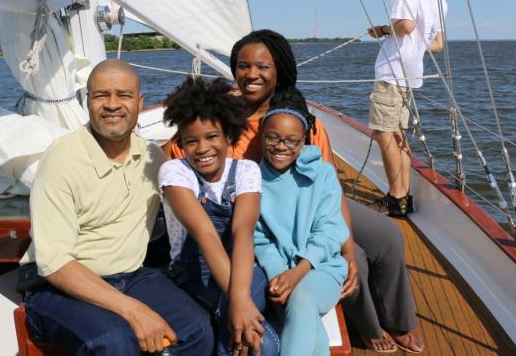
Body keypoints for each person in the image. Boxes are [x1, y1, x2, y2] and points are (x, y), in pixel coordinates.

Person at [165, 29, 423, 353]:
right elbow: (182, 146)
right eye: (243, 66)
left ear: (279, 70)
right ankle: (368, 327)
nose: (252, 74)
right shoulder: (221, 114)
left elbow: (330, 186)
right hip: (266, 205)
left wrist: (345, 245)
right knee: (352, 256)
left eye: (263, 67)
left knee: (387, 235)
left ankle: (399, 322)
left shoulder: (295, 114)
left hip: (311, 194)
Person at [19, 59, 214, 355]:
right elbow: (55, 264)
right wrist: (133, 310)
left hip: (132, 276)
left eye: (123, 95)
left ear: (139, 103)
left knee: (197, 330)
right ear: (87, 101)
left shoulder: (152, 158)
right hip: (57, 286)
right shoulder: (61, 160)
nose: (112, 104)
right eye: (101, 95)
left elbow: (205, 159)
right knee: (115, 342)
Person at [159, 76, 279, 356]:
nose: (202, 148)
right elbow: (205, 235)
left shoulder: (246, 170)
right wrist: (239, 304)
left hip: (243, 266)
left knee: (251, 338)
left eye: (212, 137)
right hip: (194, 275)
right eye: (191, 141)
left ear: (228, 136)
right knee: (264, 345)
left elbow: (242, 232)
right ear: (181, 143)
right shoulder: (175, 172)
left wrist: (239, 300)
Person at [254, 89, 349, 356]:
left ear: (303, 140)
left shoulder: (323, 174)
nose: (281, 146)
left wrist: (298, 272)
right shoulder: (253, 180)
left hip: (322, 267)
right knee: (309, 325)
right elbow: (259, 239)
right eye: (273, 137)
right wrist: (278, 276)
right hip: (279, 272)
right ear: (261, 136)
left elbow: (331, 229)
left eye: (291, 140)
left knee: (302, 297)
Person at [367, 0, 447, 217]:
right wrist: (415, 47)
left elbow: (406, 26)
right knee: (397, 133)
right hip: (411, 74)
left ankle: (397, 198)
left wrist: (382, 30)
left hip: (392, 71)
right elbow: (437, 45)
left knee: (383, 133)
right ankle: (404, 197)